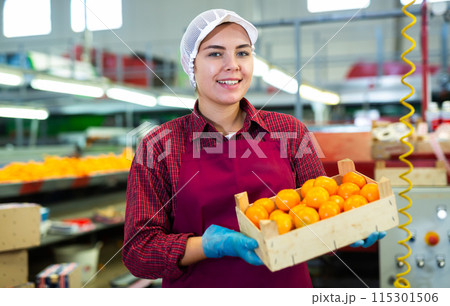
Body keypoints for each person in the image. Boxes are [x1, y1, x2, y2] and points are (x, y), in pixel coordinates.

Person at [123, 8, 385, 288]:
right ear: (192, 65)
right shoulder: (159, 145)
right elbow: (139, 251)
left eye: (242, 52)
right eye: (215, 53)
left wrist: (348, 226)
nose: (232, 64)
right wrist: (208, 246)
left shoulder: (290, 131)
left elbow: (321, 218)